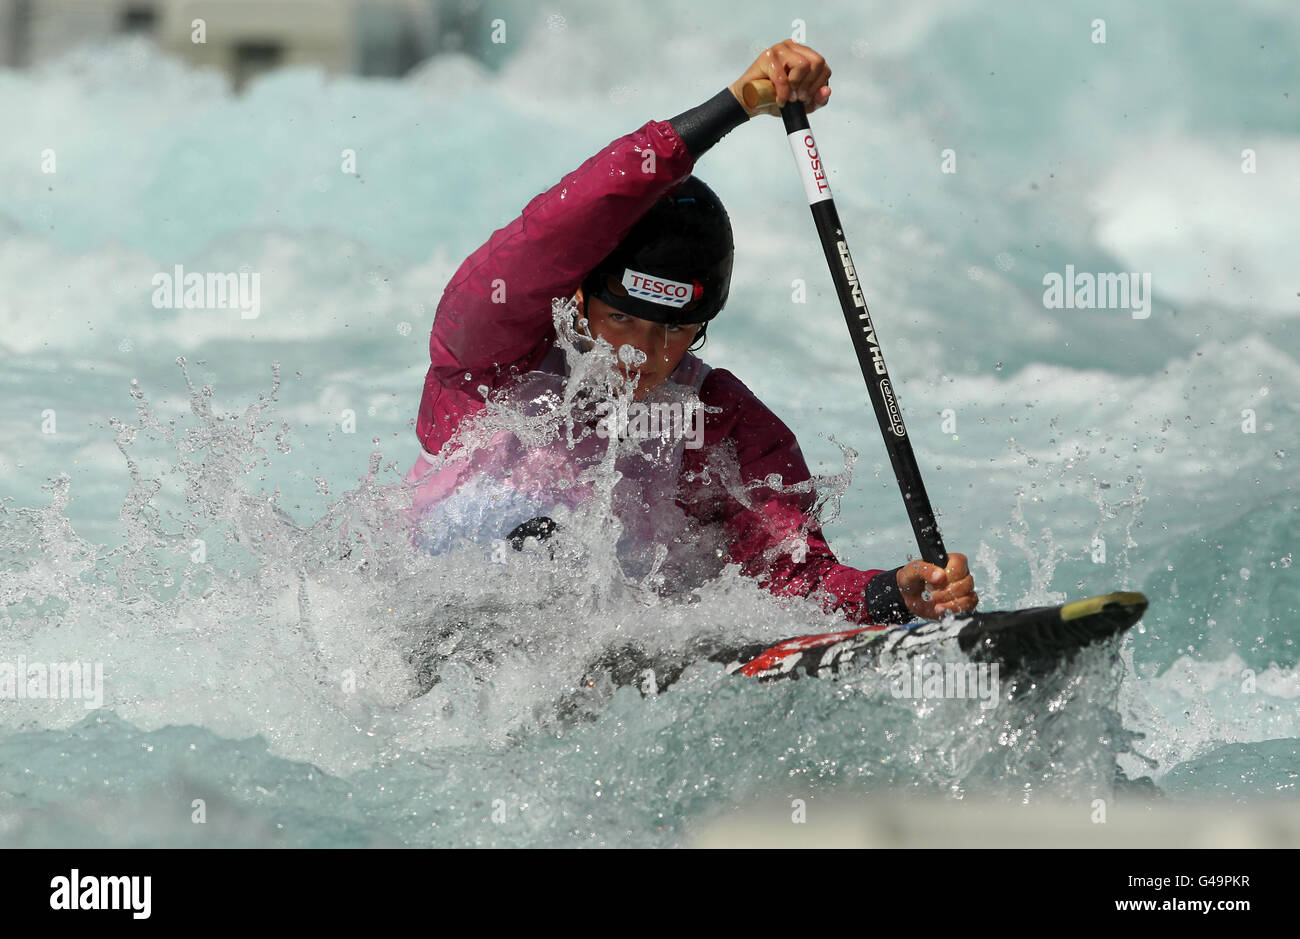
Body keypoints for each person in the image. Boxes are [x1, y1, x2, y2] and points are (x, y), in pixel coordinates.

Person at [406, 40, 977, 625]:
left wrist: (890, 594)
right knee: (540, 539)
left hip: (604, 660)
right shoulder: (487, 363)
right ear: (578, 293)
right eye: (622, 319)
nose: (644, 355)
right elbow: (553, 230)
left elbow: (790, 579)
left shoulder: (721, 425)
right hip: (433, 640)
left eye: (676, 329)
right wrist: (734, 105)